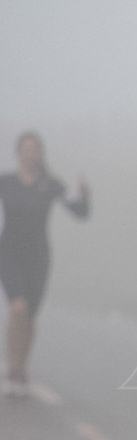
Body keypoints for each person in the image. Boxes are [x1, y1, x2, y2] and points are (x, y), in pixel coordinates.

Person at [0, 132, 90, 397]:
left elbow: (80, 213)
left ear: (40, 154)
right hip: (9, 254)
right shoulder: (6, 182)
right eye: (25, 149)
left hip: (38, 258)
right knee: (17, 308)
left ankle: (22, 366)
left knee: (29, 317)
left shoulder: (50, 184)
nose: (30, 153)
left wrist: (85, 195)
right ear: (18, 152)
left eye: (34, 149)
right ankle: (14, 370)